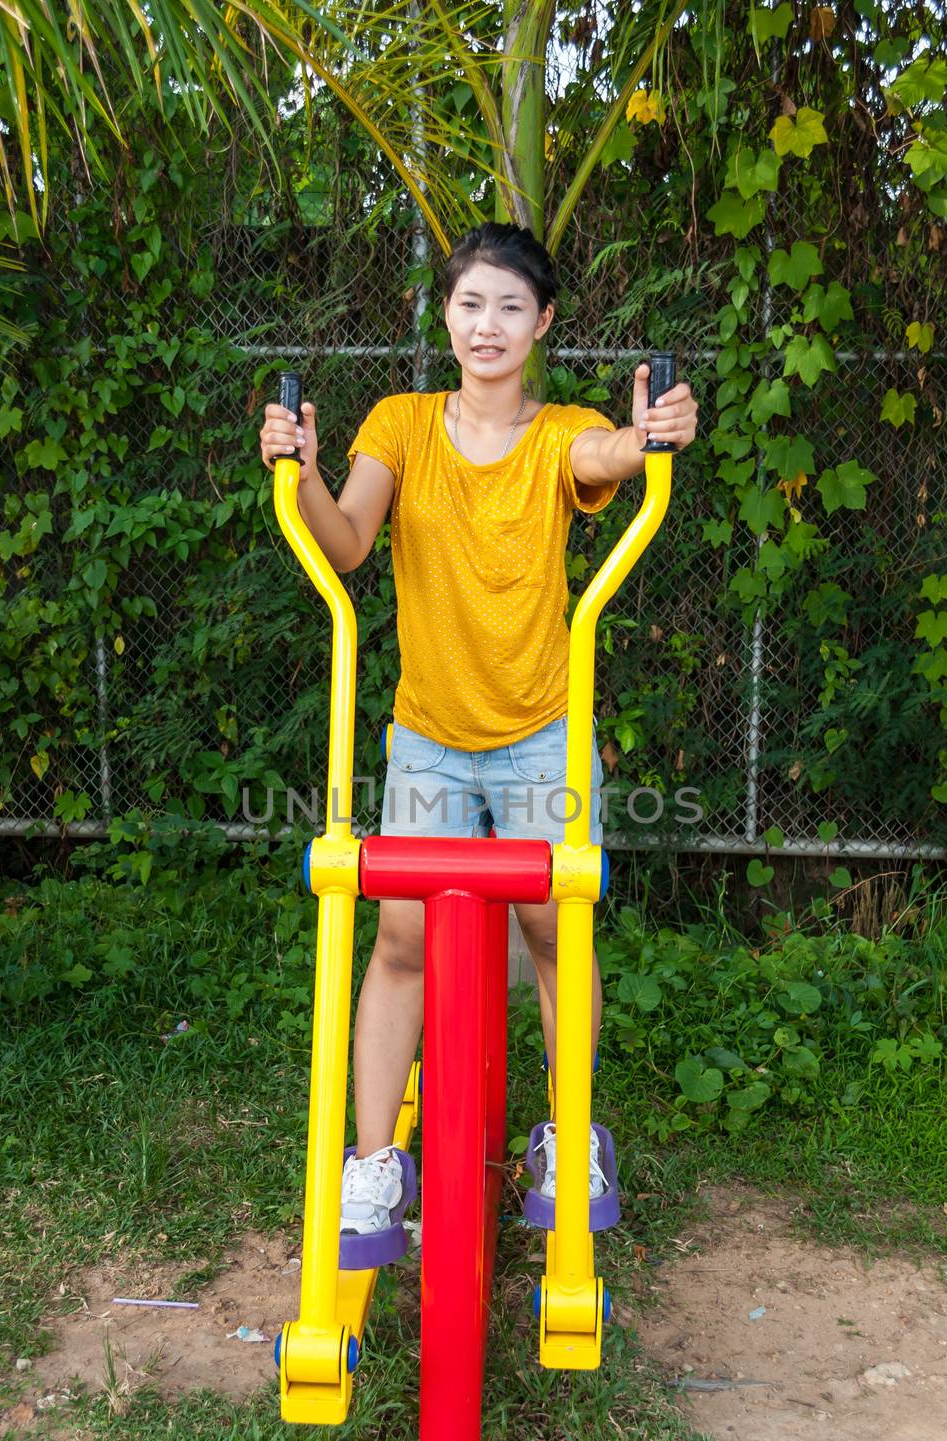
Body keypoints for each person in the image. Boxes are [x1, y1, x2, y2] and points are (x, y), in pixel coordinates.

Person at [260, 222, 697, 1253]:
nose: (487, 324)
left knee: (555, 931)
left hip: (543, 729)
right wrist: (305, 474)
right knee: (402, 939)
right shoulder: (402, 423)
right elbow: (348, 541)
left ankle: (573, 1135)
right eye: (469, 304)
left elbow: (605, 453)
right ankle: (374, 1166)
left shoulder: (560, 432)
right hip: (431, 734)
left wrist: (648, 438)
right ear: (445, 316)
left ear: (542, 322)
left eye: (510, 306)